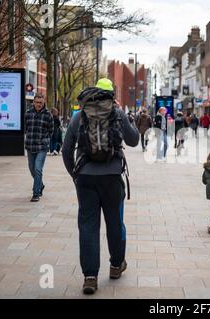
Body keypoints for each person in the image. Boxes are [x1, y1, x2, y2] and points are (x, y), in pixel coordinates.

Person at [62, 78, 139, 295]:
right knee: (115, 222)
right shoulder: (117, 113)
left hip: (85, 178)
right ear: (112, 95)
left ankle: (90, 277)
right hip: (112, 176)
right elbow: (133, 140)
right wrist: (125, 117)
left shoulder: (79, 115)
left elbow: (67, 149)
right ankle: (116, 265)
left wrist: (74, 175)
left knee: (88, 226)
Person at [25, 93, 54, 202]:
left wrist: (46, 140)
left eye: (40, 103)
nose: (38, 105)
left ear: (43, 103)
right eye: (37, 102)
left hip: (42, 146)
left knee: (38, 169)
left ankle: (36, 193)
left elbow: (51, 130)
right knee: (32, 169)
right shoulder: (27, 113)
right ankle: (40, 185)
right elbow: (25, 127)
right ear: (33, 102)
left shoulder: (48, 115)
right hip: (30, 144)